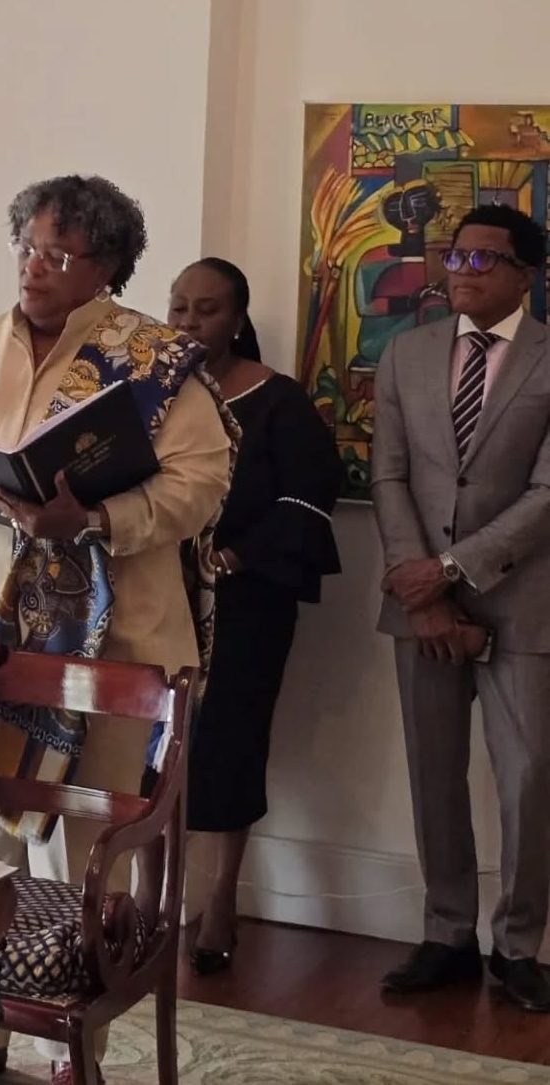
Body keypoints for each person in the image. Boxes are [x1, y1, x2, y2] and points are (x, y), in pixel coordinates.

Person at [0, 174, 234, 1084]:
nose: (36, 267)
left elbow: (200, 487)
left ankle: (77, 1054)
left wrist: (96, 523)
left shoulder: (154, 359)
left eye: (59, 254)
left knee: (82, 857)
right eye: (27, 247)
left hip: (112, 649)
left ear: (105, 266)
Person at [373, 204, 550, 1014]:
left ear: (525, 273)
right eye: (458, 255)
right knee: (434, 774)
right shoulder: (406, 354)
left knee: (527, 780)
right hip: (420, 605)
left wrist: (448, 568)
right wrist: (423, 587)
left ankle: (519, 945)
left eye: (486, 259)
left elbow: (549, 493)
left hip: (527, 601)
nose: (465, 270)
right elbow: (390, 477)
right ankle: (447, 931)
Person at [167, 258, 342, 974]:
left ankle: (218, 901)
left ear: (236, 320)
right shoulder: (151, 396)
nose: (187, 321)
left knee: (227, 747)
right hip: (159, 598)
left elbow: (310, 496)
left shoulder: (280, 402)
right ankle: (149, 903)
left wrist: (240, 555)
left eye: (205, 309)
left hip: (244, 602)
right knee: (151, 755)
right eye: (177, 307)